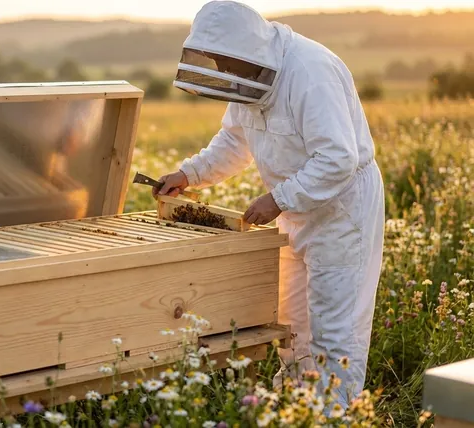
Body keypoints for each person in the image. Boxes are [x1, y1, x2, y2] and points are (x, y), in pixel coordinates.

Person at [155, 0, 385, 408]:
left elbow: (338, 159)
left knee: (335, 329)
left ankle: (335, 413)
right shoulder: (247, 74)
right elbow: (234, 140)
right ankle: (297, 407)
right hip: (294, 210)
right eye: (217, 63)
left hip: (341, 211)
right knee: (291, 321)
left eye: (227, 63)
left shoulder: (311, 73)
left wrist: (278, 198)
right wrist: (188, 174)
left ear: (247, 50)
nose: (224, 72)